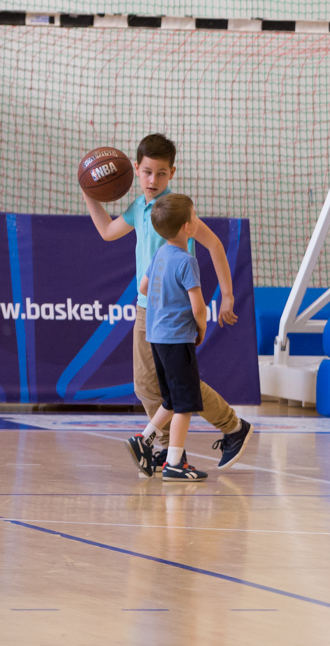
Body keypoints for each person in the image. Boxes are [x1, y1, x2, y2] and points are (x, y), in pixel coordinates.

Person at [86, 133, 252, 476]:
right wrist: (90, 194)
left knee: (183, 386)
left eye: (161, 173)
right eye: (147, 172)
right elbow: (106, 231)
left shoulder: (177, 211)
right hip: (147, 309)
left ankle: (229, 427)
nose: (152, 180)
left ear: (172, 173)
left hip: (176, 313)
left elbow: (216, 245)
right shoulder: (137, 209)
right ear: (135, 169)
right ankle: (165, 449)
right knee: (146, 385)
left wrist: (228, 295)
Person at [126, 194, 213, 482]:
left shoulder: (160, 254)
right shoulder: (187, 261)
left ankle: (144, 438)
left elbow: (143, 286)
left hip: (157, 337)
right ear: (188, 227)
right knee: (186, 404)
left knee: (170, 400)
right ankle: (174, 462)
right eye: (195, 215)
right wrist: (200, 328)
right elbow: (198, 305)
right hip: (178, 340)